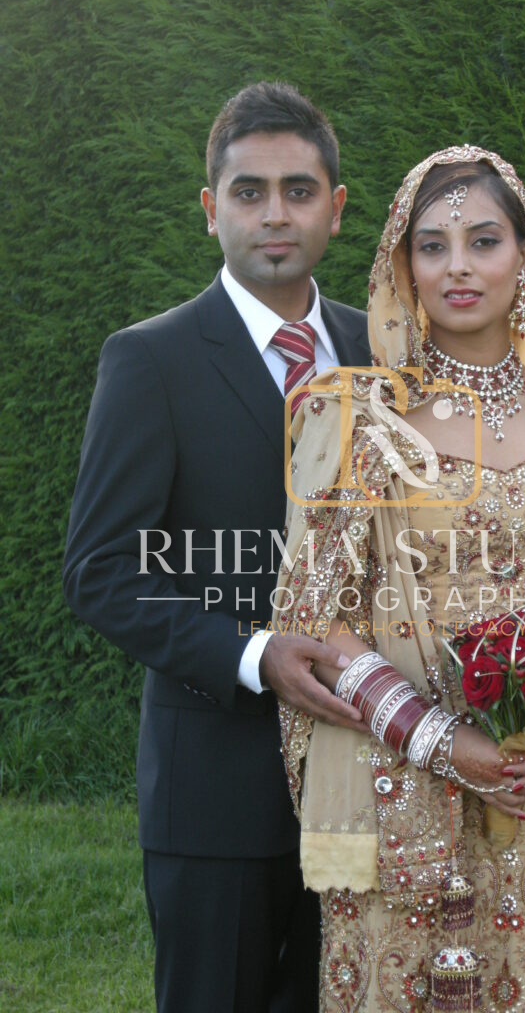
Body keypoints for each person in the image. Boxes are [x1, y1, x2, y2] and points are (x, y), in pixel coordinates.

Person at [277, 146, 525, 1011]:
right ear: (402, 263)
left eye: (482, 241)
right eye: (432, 245)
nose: (456, 267)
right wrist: (443, 742)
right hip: (401, 783)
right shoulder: (356, 415)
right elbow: (321, 620)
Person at [62, 82, 371, 1013]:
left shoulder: (382, 350)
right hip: (213, 787)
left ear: (336, 208)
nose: (274, 214)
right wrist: (251, 655)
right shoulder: (148, 360)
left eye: (298, 189)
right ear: (211, 210)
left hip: (362, 780)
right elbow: (100, 572)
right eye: (248, 192)